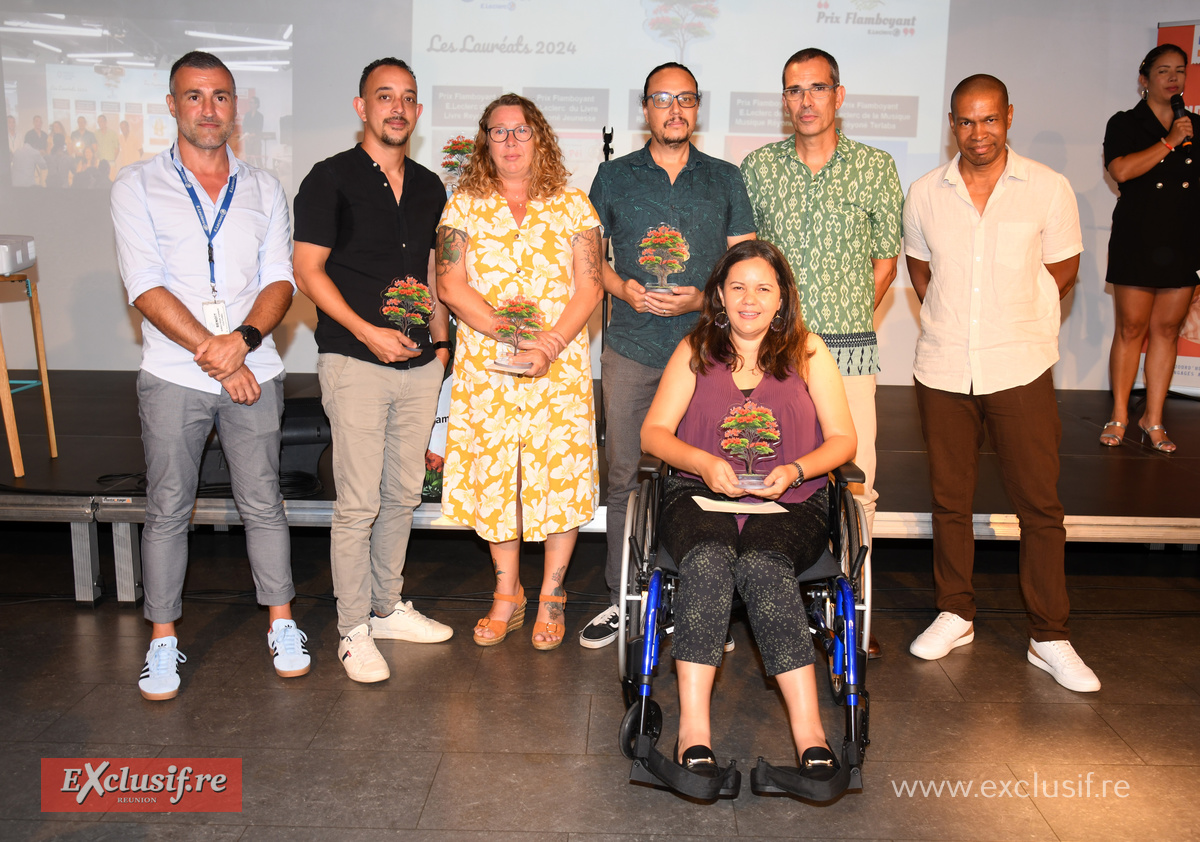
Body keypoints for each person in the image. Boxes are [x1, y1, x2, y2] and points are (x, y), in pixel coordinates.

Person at [110, 51, 309, 701]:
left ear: (235, 108)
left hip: (256, 367)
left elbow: (280, 279)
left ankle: (282, 624)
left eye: (220, 96)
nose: (208, 108)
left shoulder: (263, 188)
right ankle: (163, 640)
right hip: (175, 374)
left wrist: (244, 344)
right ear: (172, 105)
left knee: (264, 503)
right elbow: (146, 287)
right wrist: (219, 356)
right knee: (168, 508)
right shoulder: (136, 186)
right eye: (194, 97)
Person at [903, 74, 1099, 692]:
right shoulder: (926, 193)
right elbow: (919, 268)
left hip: (1020, 364)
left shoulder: (1048, 187)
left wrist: (1006, 324)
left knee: (1039, 506)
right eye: (965, 121)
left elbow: (1062, 271)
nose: (977, 133)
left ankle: (1049, 634)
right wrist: (961, 324)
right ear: (951, 124)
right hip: (941, 366)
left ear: (1009, 117)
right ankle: (955, 612)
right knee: (949, 499)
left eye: (989, 120)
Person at [641, 239, 856, 782]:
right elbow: (654, 433)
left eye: (764, 288)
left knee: (764, 566)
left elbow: (843, 441)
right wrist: (701, 461)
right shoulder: (695, 349)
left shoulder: (809, 351)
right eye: (738, 287)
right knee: (709, 561)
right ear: (719, 295)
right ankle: (694, 732)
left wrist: (800, 469)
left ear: (781, 298)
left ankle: (809, 734)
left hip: (793, 501)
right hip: (699, 495)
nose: (750, 299)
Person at [579, 61, 756, 649]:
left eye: (685, 99)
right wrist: (622, 287)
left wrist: (706, 295)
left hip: (706, 352)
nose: (674, 110)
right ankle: (621, 598)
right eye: (662, 99)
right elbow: (588, 260)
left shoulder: (726, 178)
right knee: (625, 475)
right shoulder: (612, 176)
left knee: (704, 475)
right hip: (629, 347)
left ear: (698, 107)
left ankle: (700, 604)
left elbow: (744, 267)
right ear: (646, 108)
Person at [294, 57, 453, 684]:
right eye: (384, 96)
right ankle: (352, 628)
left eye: (408, 98)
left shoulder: (429, 185)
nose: (397, 108)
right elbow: (308, 272)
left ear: (417, 111)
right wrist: (366, 332)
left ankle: (387, 606)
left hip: (421, 366)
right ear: (361, 107)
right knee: (357, 502)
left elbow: (435, 276)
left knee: (402, 495)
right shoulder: (328, 179)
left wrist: (441, 348)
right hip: (354, 360)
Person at [436, 93, 604, 651]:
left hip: (558, 368)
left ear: (542, 139)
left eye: (522, 131)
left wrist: (550, 343)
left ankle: (553, 594)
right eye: (499, 131)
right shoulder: (462, 206)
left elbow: (590, 285)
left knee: (558, 476)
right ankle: (508, 594)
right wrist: (512, 335)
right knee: (497, 478)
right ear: (486, 140)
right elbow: (450, 285)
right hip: (490, 367)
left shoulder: (574, 205)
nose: (510, 142)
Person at [740, 48, 903, 591]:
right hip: (772, 353)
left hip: (850, 350)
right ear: (784, 100)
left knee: (857, 481)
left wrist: (843, 315)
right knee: (768, 468)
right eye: (794, 90)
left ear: (839, 94)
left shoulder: (875, 167)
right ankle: (775, 592)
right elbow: (748, 264)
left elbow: (885, 262)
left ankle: (851, 600)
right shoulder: (759, 169)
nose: (805, 101)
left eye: (816, 88)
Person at [1100, 43, 1200, 453]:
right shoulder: (1125, 122)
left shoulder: (1195, 125)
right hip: (1138, 239)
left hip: (1182, 241)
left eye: (1180, 70)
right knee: (1130, 329)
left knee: (1166, 332)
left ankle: (1153, 419)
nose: (1173, 78)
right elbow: (1121, 170)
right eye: (1163, 71)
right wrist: (1169, 142)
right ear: (1144, 79)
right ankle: (1120, 415)